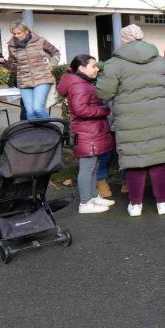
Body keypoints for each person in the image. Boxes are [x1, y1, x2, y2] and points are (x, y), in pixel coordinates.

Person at [97, 24, 165, 217]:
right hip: (159, 116)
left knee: (134, 159)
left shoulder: (114, 63)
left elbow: (104, 92)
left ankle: (135, 205)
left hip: (129, 119)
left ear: (123, 40)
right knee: (159, 157)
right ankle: (163, 203)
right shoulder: (159, 60)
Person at [57, 54, 115, 214]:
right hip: (87, 132)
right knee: (87, 168)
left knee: (93, 166)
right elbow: (80, 110)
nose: (97, 69)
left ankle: (93, 197)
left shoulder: (81, 82)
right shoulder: (79, 85)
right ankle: (85, 202)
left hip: (91, 131)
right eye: (93, 66)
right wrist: (105, 110)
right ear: (82, 68)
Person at [0, 21, 60, 120]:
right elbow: (14, 67)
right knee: (29, 111)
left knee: (38, 108)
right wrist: (4, 62)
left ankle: (49, 131)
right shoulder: (12, 46)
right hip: (24, 80)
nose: (16, 36)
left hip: (42, 78)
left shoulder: (40, 40)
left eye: (19, 33)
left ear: (26, 31)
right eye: (14, 34)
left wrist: (52, 64)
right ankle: (35, 134)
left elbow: (56, 53)